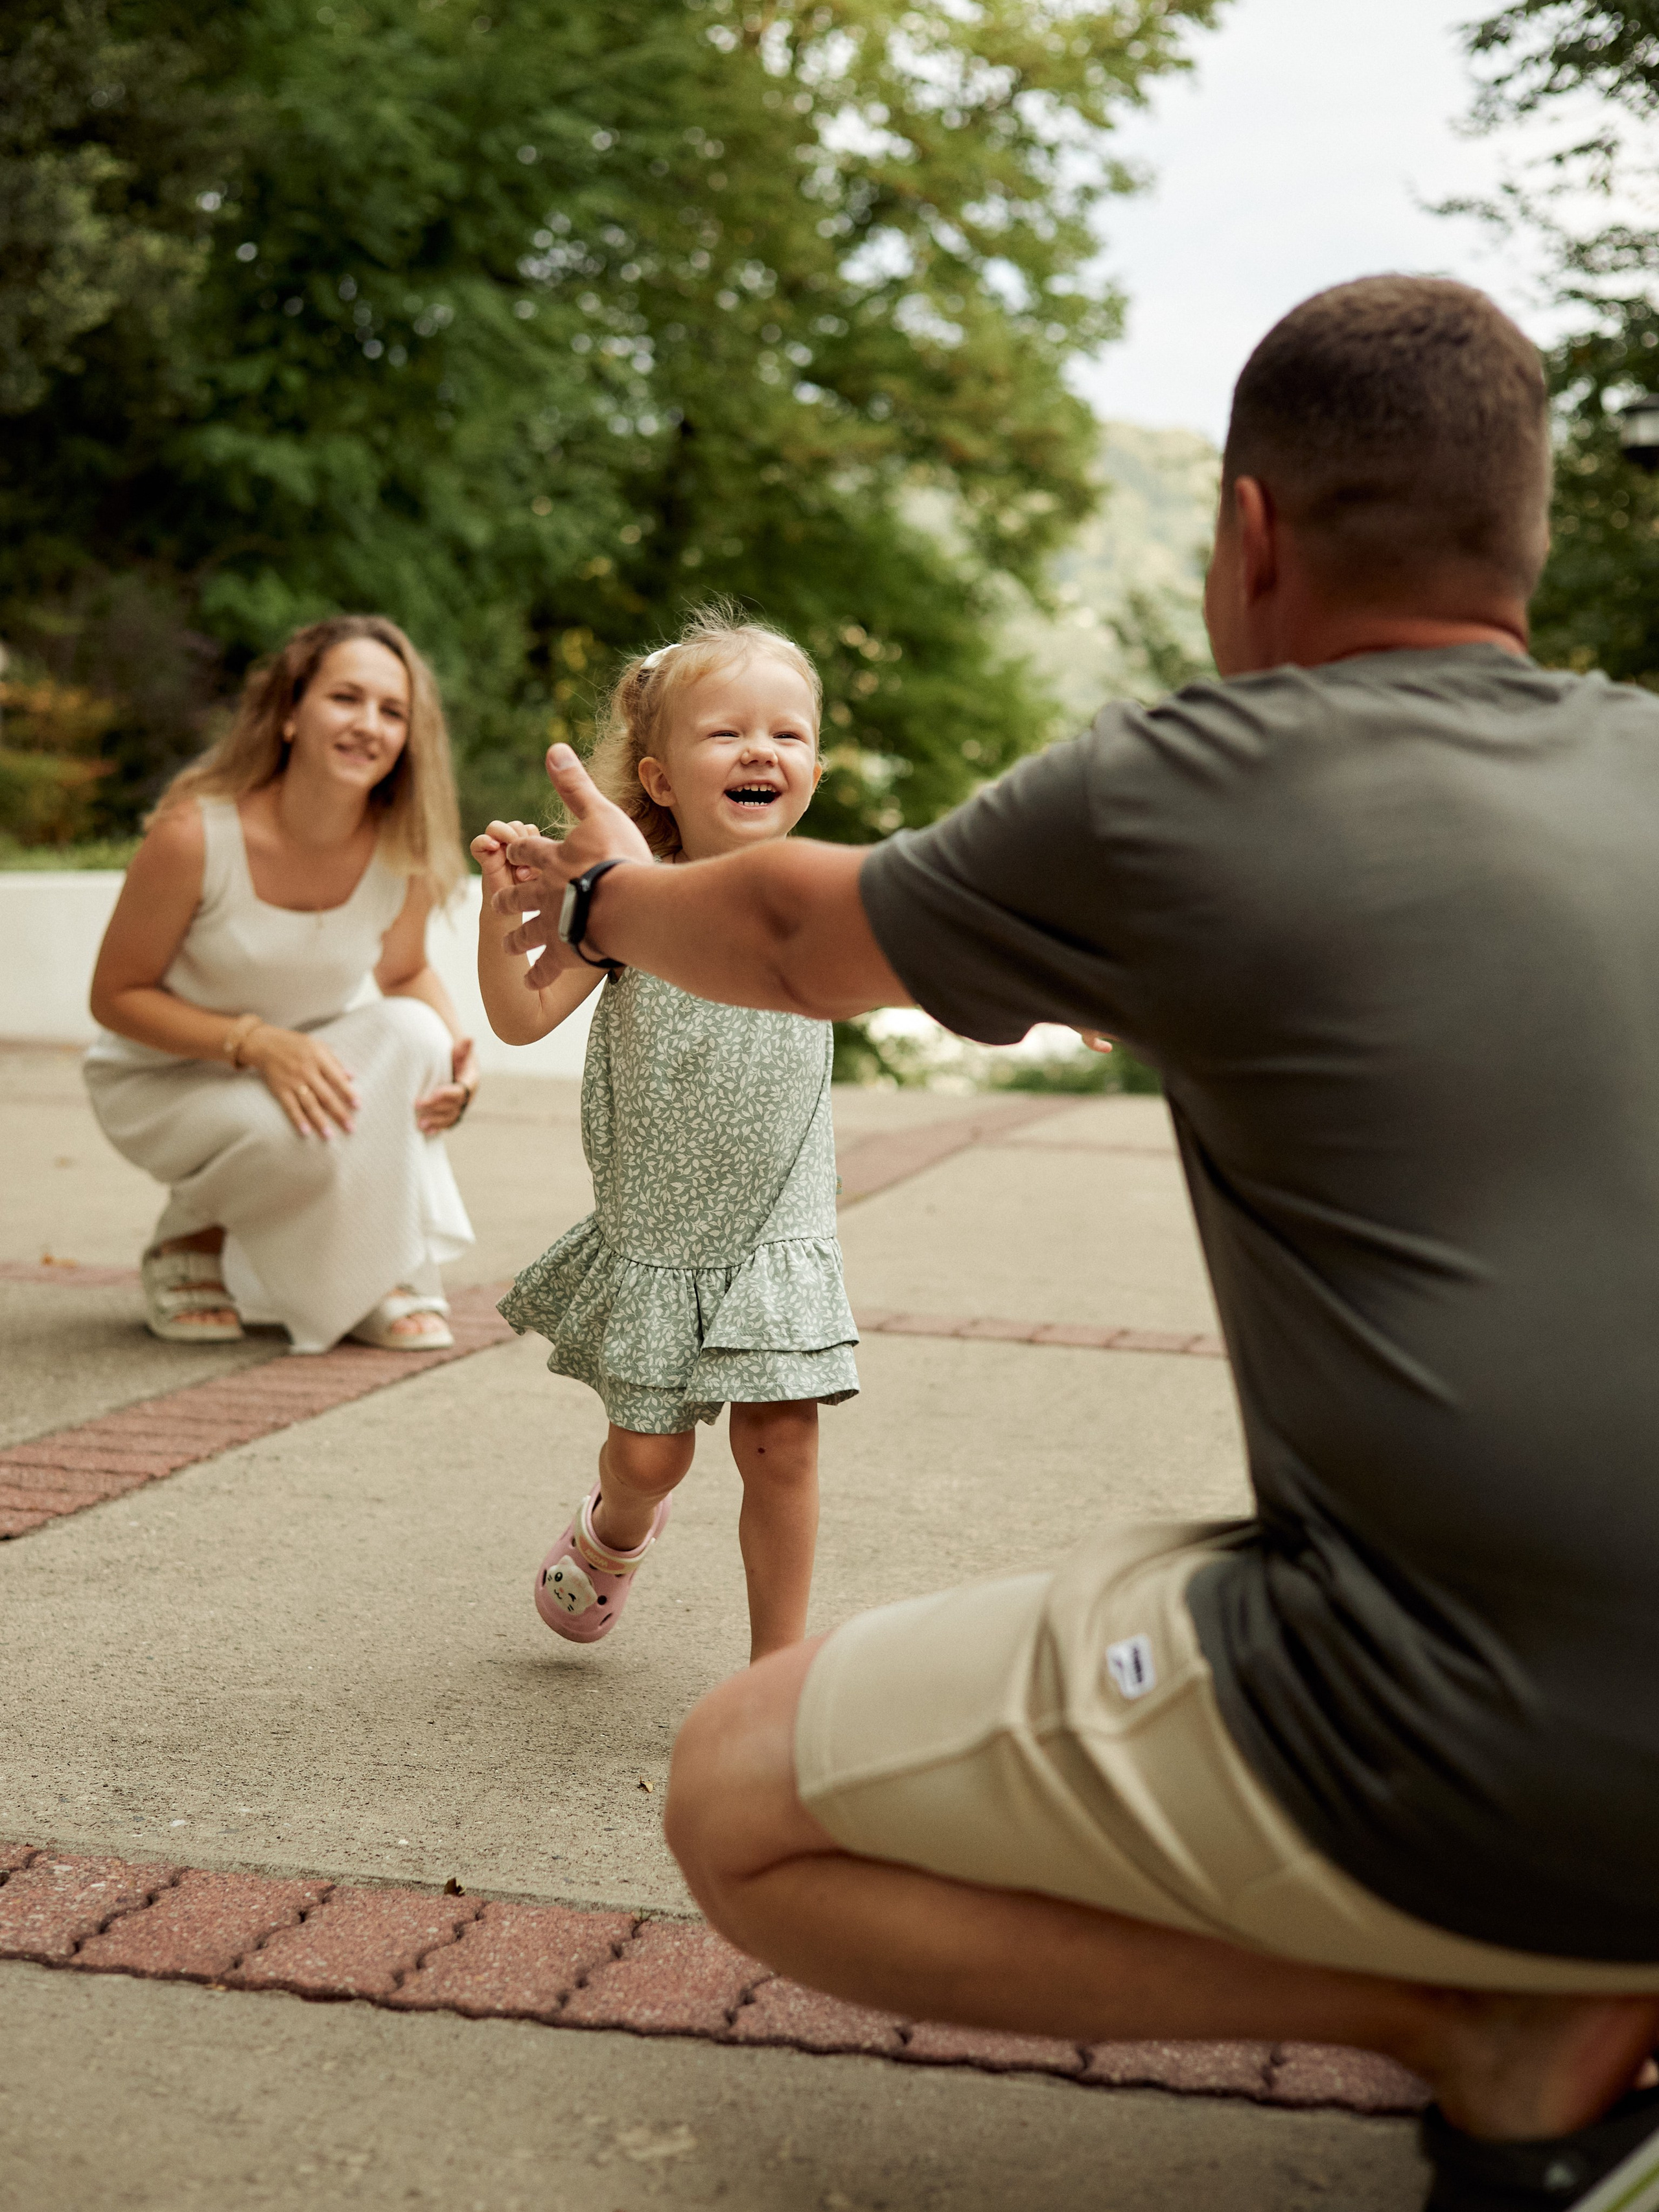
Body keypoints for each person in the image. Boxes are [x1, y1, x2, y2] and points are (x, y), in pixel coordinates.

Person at [492, 278, 1659, 2212]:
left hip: (1475, 1735)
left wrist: (611, 900)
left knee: (739, 1799)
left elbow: (791, 936)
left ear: (1248, 533)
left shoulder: (1194, 781)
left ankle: (1476, 2026)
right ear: (1524, 534)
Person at [473, 605, 857, 1664]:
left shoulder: (811, 903)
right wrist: (499, 914)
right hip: (659, 1235)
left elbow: (934, 951)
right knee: (651, 1458)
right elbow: (518, 1016)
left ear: (814, 770)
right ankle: (617, 1526)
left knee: (782, 1442)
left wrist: (1062, 994)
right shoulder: (629, 904)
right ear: (656, 776)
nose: (760, 750)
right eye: (726, 731)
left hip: (777, 1236)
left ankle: (774, 1674)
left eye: (786, 732)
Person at [86, 614, 478, 1355]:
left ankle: (372, 1270)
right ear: (291, 712)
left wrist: (461, 1057)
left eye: (392, 711)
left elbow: (406, 973)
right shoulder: (196, 834)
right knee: (297, 1127)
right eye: (346, 698)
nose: (369, 725)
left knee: (417, 1038)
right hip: (160, 1079)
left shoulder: (403, 850)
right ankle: (188, 1238)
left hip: (291, 1067)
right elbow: (115, 996)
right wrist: (257, 1042)